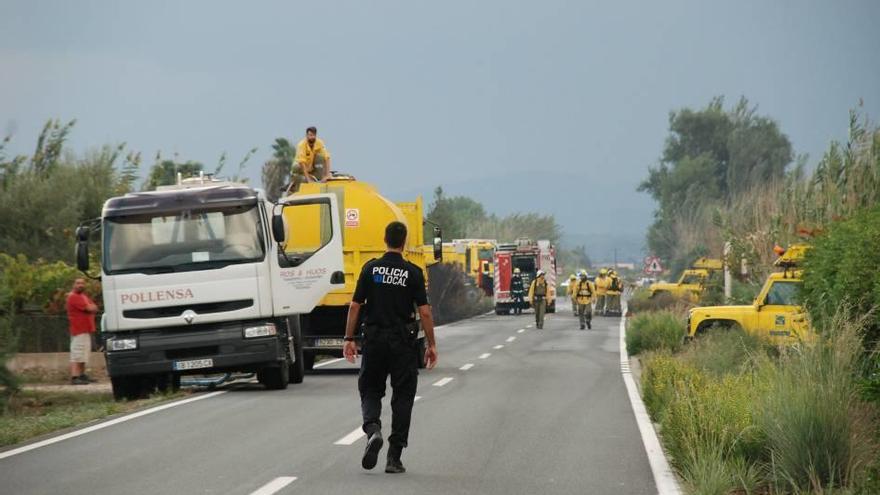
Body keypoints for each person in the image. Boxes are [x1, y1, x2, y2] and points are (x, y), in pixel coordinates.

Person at [343, 221, 438, 474]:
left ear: (385, 239)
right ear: (404, 242)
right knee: (403, 396)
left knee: (370, 389)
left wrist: (348, 338)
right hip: (402, 343)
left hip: (374, 340)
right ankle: (394, 458)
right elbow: (425, 313)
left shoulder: (370, 269)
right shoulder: (413, 273)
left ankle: (373, 429)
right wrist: (431, 344)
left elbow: (355, 306)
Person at [66, 278, 99, 385]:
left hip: (86, 329)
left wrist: (91, 307)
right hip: (78, 329)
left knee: (84, 354)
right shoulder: (73, 297)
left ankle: (82, 375)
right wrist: (91, 307)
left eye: (82, 283)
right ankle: (75, 377)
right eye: (78, 283)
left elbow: (95, 307)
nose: (80, 285)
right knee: (77, 353)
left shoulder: (84, 296)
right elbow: (90, 309)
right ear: (73, 285)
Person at [289, 126, 332, 192]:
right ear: (307, 135)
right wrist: (308, 179)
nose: (312, 137)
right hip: (300, 168)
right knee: (297, 166)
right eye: (310, 135)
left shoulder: (319, 143)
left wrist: (327, 174)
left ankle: (320, 178)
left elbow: (327, 157)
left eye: (313, 135)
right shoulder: (302, 145)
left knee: (320, 157)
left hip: (310, 167)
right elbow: (302, 163)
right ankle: (294, 183)